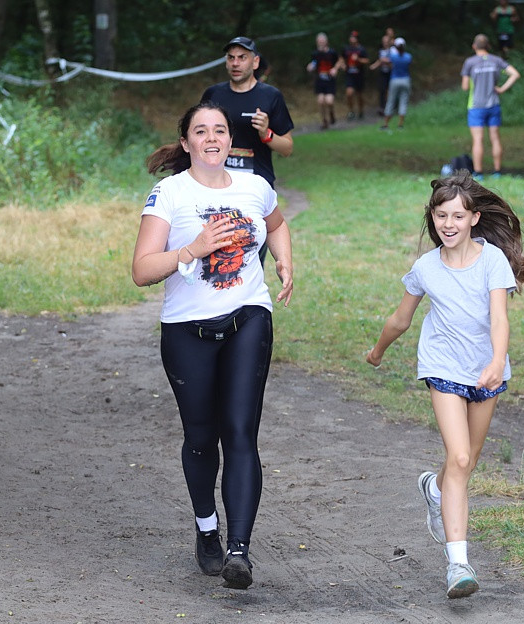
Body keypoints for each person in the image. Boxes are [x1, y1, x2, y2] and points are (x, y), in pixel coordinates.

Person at [131, 102, 294, 590]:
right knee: (201, 438)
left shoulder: (254, 185)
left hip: (248, 316)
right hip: (187, 330)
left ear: (230, 139)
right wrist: (194, 249)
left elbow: (277, 223)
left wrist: (284, 262)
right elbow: (141, 270)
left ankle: (239, 552)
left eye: (219, 130)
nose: (211, 137)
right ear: (186, 143)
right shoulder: (169, 195)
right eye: (200, 131)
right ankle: (207, 530)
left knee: (240, 431)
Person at [366, 172, 524, 599]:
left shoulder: (493, 261)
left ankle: (434, 487)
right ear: (433, 217)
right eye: (441, 215)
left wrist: (498, 361)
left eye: (457, 216)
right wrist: (378, 351)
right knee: (459, 455)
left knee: (465, 463)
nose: (448, 223)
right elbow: (401, 319)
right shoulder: (426, 268)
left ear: (474, 218)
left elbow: (500, 318)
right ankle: (458, 564)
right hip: (442, 367)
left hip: (486, 371)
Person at [201, 36, 295, 265]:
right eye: (231, 58)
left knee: (249, 260)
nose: (235, 63)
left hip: (256, 188)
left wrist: (267, 134)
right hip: (216, 186)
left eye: (242, 58)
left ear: (255, 62)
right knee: (216, 258)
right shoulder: (213, 95)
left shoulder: (270, 96)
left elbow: (288, 148)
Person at [460, 34, 520, 180]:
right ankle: (497, 171)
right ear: (488, 46)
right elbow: (515, 74)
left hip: (476, 106)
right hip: (494, 104)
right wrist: (502, 89)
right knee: (495, 138)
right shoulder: (496, 60)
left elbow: (465, 86)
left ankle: (479, 173)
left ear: (474, 46)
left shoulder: (470, 62)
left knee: (478, 140)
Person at [306, 32, 340, 130]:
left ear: (326, 42)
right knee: (320, 101)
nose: (321, 43)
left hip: (330, 80)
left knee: (329, 102)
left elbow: (339, 61)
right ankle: (324, 121)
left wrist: (335, 69)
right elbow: (313, 63)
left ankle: (332, 114)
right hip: (320, 80)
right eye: (319, 41)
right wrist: (310, 67)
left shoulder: (332, 52)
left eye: (322, 41)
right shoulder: (315, 53)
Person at [380, 37, 412, 131]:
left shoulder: (393, 56)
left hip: (395, 80)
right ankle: (400, 125)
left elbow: (385, 60)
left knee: (391, 101)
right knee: (403, 101)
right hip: (406, 80)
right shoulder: (408, 56)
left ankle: (385, 124)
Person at [338, 30, 369, 119]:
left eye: (354, 38)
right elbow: (341, 58)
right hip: (349, 75)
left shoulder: (361, 49)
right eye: (351, 37)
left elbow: (366, 60)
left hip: (359, 75)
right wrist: (342, 64)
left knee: (359, 95)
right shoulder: (346, 49)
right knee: (349, 93)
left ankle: (361, 110)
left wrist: (358, 59)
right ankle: (351, 111)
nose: (352, 39)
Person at [370, 34, 393, 116]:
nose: (385, 43)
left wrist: (384, 61)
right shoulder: (380, 51)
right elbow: (379, 60)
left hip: (391, 73)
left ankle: (390, 107)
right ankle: (382, 107)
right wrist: (375, 65)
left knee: (390, 90)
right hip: (382, 73)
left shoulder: (393, 51)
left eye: (386, 42)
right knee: (382, 90)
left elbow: (391, 61)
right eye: (384, 42)